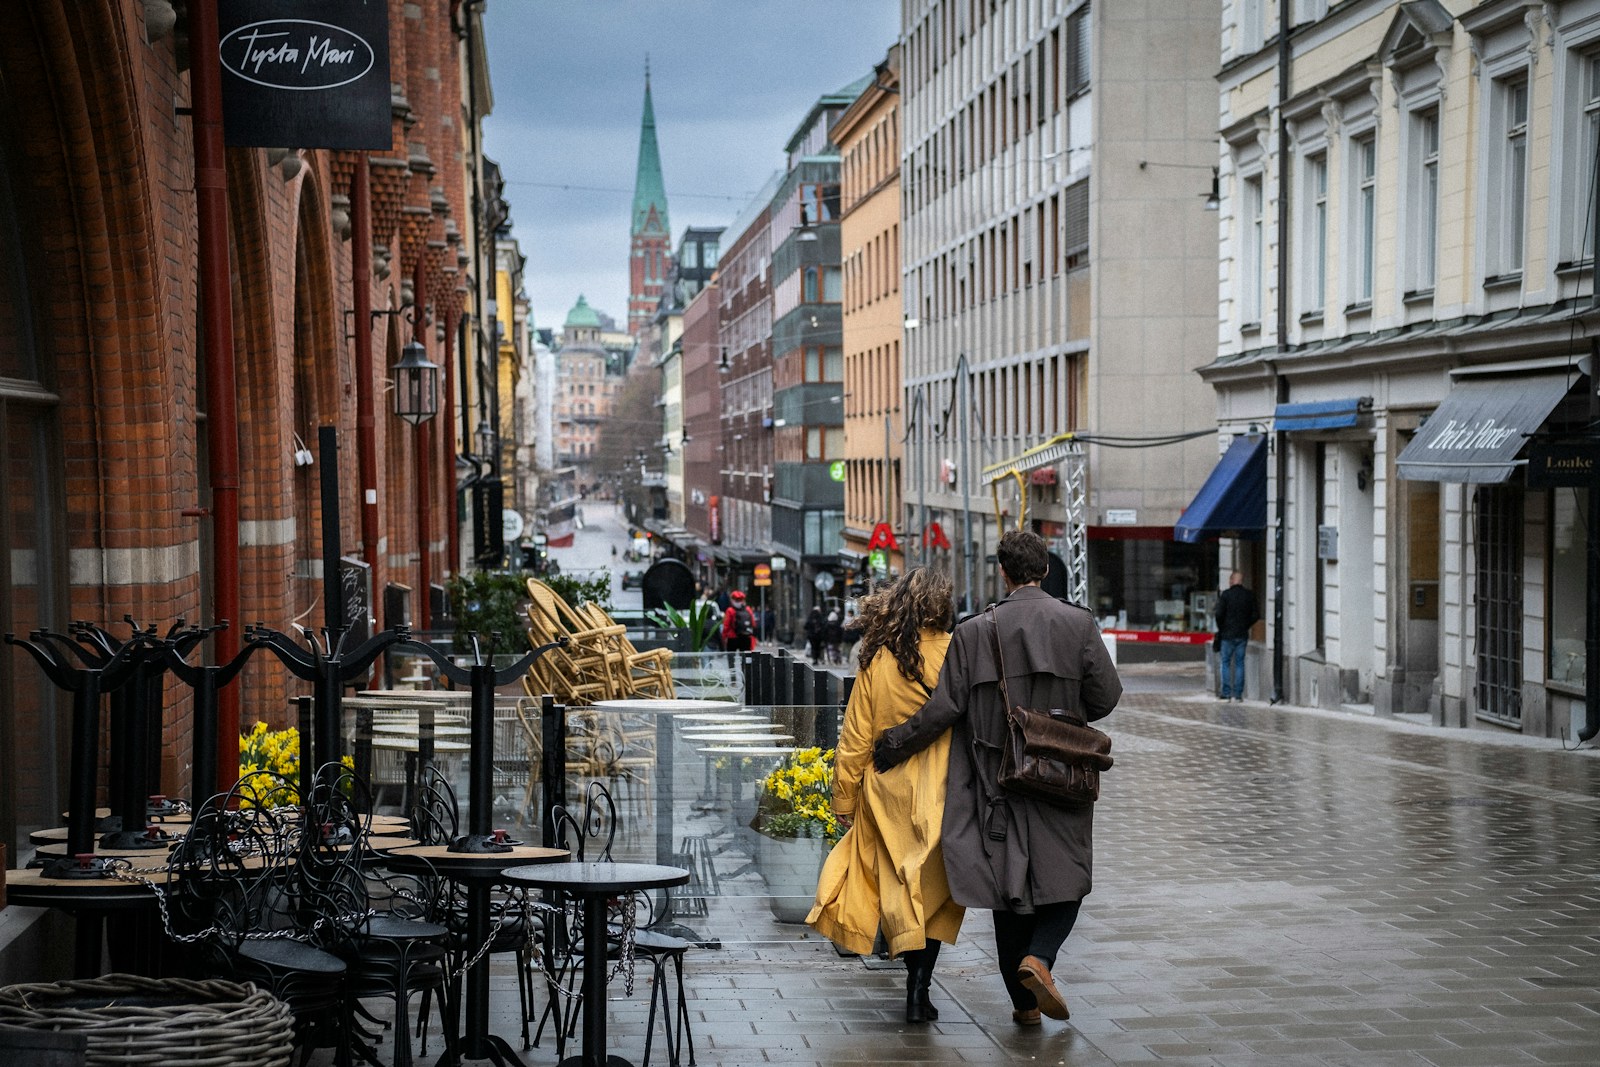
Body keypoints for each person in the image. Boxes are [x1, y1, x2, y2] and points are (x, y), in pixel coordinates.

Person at [872, 529, 1121, 1026]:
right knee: (1068, 879)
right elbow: (1105, 698)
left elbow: (944, 709)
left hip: (995, 783)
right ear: (1046, 569)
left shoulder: (972, 632)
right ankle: (1041, 960)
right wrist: (1064, 713)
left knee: (1011, 894)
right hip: (1060, 775)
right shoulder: (1078, 624)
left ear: (1002, 573)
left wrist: (893, 744)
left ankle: (1025, 1007)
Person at [807, 568, 964, 1024]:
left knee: (900, 886)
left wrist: (843, 799)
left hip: (886, 788)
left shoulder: (878, 658)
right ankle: (920, 986)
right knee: (932, 893)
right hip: (942, 787)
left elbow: (855, 737)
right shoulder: (956, 652)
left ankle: (911, 982)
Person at [1213, 571, 1259, 702]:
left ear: (1232, 580)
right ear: (1241, 581)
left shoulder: (1226, 595)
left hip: (1227, 635)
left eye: (1230, 580)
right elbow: (1256, 615)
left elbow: (1219, 614)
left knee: (1225, 663)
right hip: (1242, 634)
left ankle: (1226, 693)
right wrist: (1246, 625)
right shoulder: (1249, 595)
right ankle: (1238, 694)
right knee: (1240, 663)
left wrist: (1222, 628)